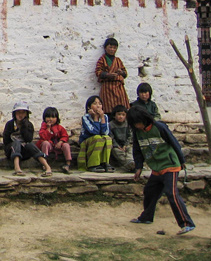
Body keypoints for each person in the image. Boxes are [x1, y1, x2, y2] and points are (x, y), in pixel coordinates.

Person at [127, 106, 195, 235]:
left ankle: (187, 223)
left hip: (170, 165)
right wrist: (138, 167)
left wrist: (182, 161)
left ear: (144, 119)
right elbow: (137, 151)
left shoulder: (159, 127)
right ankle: (146, 217)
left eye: (138, 122)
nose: (137, 126)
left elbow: (174, 142)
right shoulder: (137, 133)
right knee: (149, 191)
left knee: (171, 193)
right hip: (156, 167)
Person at [2, 101, 52, 177]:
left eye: (23, 113)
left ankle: (47, 167)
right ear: (14, 114)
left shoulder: (29, 125)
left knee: (30, 145)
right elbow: (6, 140)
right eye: (18, 112)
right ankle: (17, 167)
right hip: (12, 150)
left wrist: (24, 127)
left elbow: (28, 139)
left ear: (26, 114)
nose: (20, 115)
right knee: (16, 143)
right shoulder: (10, 124)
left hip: (24, 151)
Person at [77, 95, 114, 172]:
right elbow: (94, 132)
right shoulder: (86, 117)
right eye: (95, 103)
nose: (98, 106)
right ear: (89, 107)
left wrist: (102, 118)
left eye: (100, 103)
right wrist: (95, 118)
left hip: (99, 139)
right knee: (97, 138)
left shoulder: (105, 117)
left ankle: (105, 162)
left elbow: (105, 132)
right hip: (87, 141)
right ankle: (93, 164)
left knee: (107, 138)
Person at [95, 37, 129, 115]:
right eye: (110, 47)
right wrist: (108, 75)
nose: (112, 49)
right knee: (108, 109)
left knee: (121, 108)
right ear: (105, 48)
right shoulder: (102, 60)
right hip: (107, 88)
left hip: (119, 88)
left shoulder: (118, 60)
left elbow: (125, 73)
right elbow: (98, 72)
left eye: (114, 48)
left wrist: (121, 72)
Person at [36, 106, 72, 174]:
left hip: (58, 145)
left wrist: (60, 142)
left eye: (53, 117)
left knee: (66, 145)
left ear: (57, 118)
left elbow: (65, 136)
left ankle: (67, 163)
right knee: (45, 143)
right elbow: (43, 137)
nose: (50, 119)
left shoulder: (59, 127)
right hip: (49, 146)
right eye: (48, 117)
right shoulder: (43, 127)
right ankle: (45, 163)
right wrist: (48, 129)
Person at [109, 104, 135, 171]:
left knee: (130, 150)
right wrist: (117, 146)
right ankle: (128, 165)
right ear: (114, 115)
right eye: (119, 114)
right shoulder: (110, 125)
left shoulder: (128, 124)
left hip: (126, 144)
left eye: (123, 115)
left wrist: (126, 145)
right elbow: (111, 137)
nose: (121, 117)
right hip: (116, 146)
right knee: (116, 152)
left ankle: (130, 162)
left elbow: (130, 135)